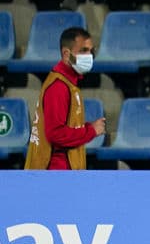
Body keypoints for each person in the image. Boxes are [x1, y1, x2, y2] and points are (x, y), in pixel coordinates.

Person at [24, 27, 106, 170]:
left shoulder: (68, 82)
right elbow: (55, 134)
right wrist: (91, 131)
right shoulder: (58, 87)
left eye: (91, 51)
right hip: (56, 172)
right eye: (83, 51)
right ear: (66, 54)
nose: (89, 56)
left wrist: (88, 128)